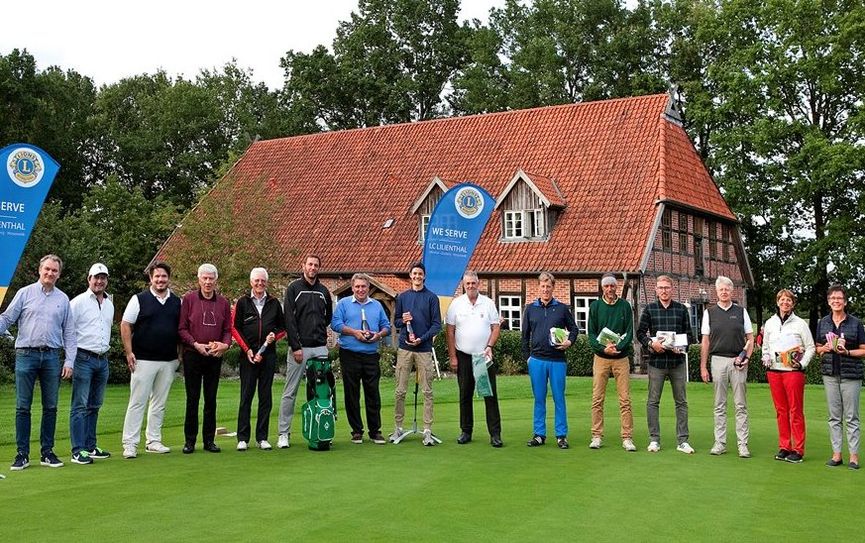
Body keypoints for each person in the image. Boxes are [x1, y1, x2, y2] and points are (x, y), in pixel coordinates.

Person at [1, 255, 76, 471]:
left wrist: (69, 361)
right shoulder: (24, 293)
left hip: (52, 356)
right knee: (23, 406)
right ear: (39, 269)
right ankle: (22, 454)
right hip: (26, 354)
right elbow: (7, 318)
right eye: (47, 269)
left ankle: (47, 452)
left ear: (59, 274)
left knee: (50, 407)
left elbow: (70, 333)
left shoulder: (63, 299)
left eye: (54, 271)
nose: (50, 273)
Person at [120, 261, 181, 459]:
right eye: (157, 276)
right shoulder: (139, 299)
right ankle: (130, 443)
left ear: (168, 278)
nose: (160, 280)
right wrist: (129, 352)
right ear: (150, 278)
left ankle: (153, 440)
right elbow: (126, 325)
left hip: (168, 360)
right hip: (143, 359)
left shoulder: (177, 302)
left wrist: (179, 355)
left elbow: (181, 330)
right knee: (137, 402)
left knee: (159, 402)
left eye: (164, 276)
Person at [277, 254, 333, 449]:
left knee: (323, 392)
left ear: (319, 268)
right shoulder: (294, 289)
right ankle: (284, 433)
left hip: (320, 347)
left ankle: (322, 429)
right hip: (299, 348)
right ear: (304, 266)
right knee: (290, 392)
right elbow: (289, 320)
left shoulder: (324, 291)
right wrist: (295, 346)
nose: (313, 268)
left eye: (316, 265)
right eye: (310, 264)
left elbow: (328, 318)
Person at [636, 275, 694, 454]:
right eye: (660, 288)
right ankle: (654, 439)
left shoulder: (681, 310)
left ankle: (682, 441)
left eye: (667, 287)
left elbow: (689, 335)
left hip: (677, 362)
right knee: (653, 401)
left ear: (672, 289)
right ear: (656, 289)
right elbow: (640, 333)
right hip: (656, 362)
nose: (664, 291)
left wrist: (682, 346)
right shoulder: (650, 309)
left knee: (681, 402)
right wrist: (651, 344)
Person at [330, 273, 390, 445]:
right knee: (352, 393)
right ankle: (356, 431)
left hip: (371, 354)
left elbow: (386, 326)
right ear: (352, 287)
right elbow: (336, 325)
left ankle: (375, 431)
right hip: (350, 353)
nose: (360, 289)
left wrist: (378, 335)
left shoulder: (377, 305)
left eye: (363, 286)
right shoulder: (343, 304)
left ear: (368, 288)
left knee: (373, 393)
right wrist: (354, 332)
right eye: (357, 287)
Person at [178, 263, 232, 454]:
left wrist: (225, 345)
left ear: (216, 280)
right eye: (205, 278)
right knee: (192, 399)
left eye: (211, 278)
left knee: (211, 400)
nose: (208, 282)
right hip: (193, 354)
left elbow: (227, 330)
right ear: (199, 279)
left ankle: (209, 441)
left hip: (214, 356)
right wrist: (194, 344)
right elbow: (182, 329)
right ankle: (189, 441)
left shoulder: (224, 303)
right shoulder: (189, 299)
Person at [446, 270, 503, 448]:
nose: (470, 286)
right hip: (463, 355)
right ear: (463, 285)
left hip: (482, 356)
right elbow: (450, 332)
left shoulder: (488, 303)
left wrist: (489, 346)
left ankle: (495, 434)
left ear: (479, 284)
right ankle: (466, 431)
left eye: (473, 283)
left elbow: (495, 328)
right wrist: (453, 356)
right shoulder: (456, 304)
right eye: (467, 283)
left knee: (489, 395)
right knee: (465, 394)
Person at [699, 276, 754, 458]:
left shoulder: (741, 312)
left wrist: (747, 357)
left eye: (727, 289)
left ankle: (742, 444)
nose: (724, 292)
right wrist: (703, 366)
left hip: (738, 362)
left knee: (740, 405)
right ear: (717, 291)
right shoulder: (709, 313)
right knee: (719, 404)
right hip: (717, 361)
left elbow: (750, 339)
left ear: (732, 291)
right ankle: (720, 442)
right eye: (721, 289)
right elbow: (705, 341)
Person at [231, 267, 286, 451]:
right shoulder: (243, 302)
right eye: (257, 281)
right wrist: (247, 350)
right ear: (251, 282)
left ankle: (262, 437)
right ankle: (243, 438)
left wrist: (273, 337)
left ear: (267, 283)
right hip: (248, 356)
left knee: (265, 397)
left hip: (267, 355)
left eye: (263, 281)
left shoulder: (274, 303)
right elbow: (234, 328)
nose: (260, 284)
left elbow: (283, 327)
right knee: (246, 396)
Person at [522, 272, 578, 449]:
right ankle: (539, 434)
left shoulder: (562, 308)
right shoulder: (530, 309)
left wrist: (569, 342)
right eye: (543, 286)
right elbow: (524, 337)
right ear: (538, 287)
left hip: (557, 361)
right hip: (537, 360)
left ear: (553, 288)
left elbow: (574, 329)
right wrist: (527, 358)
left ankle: (561, 435)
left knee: (559, 398)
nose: (545, 289)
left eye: (548, 286)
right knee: (539, 399)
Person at [391, 261, 442, 446]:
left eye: (420, 274)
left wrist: (422, 338)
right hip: (405, 349)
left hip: (424, 350)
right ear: (410, 276)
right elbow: (396, 322)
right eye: (414, 274)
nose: (417, 277)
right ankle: (398, 427)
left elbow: (437, 325)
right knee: (400, 391)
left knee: (427, 391)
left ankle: (427, 430)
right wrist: (402, 320)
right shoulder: (402, 297)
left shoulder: (431, 298)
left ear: (424, 276)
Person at [762, 289, 815, 463]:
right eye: (782, 300)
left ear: (793, 304)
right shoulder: (770, 323)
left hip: (793, 372)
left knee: (795, 410)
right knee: (781, 411)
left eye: (789, 300)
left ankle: (798, 449)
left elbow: (811, 347)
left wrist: (802, 364)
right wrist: (766, 356)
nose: (785, 303)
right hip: (774, 371)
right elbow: (765, 346)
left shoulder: (800, 324)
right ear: (777, 302)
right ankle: (785, 446)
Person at [69, 263, 114, 465]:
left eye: (103, 278)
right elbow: (67, 331)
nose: (99, 281)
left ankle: (90, 446)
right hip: (83, 358)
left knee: (94, 405)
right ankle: (78, 450)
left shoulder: (109, 303)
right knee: (80, 405)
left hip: (102, 359)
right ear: (89, 279)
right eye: (96, 277)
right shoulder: (77, 302)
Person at [816, 284, 865, 470]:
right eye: (832, 298)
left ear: (845, 301)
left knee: (852, 416)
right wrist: (825, 348)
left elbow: (864, 350)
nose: (836, 301)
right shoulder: (823, 322)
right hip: (830, 374)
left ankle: (853, 456)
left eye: (839, 298)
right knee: (834, 416)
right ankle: (836, 455)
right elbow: (818, 348)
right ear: (829, 301)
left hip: (851, 375)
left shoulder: (855, 323)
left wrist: (847, 352)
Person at [587, 273, 636, 452]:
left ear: (617, 287)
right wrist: (603, 348)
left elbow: (630, 332)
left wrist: (619, 347)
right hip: (601, 358)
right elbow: (591, 333)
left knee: (625, 399)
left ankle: (627, 437)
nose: (609, 289)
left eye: (612, 286)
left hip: (621, 358)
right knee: (597, 398)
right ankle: (597, 435)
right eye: (606, 286)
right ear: (602, 288)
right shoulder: (595, 307)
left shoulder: (624, 306)